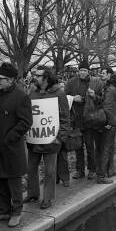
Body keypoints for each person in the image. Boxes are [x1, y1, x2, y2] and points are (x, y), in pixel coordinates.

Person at [0, 63, 32, 228]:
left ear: (11, 80)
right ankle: (3, 210)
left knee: (13, 180)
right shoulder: (1, 94)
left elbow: (26, 121)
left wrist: (9, 137)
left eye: (1, 79)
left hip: (11, 147)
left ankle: (16, 212)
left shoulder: (21, 96)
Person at [25, 67, 70, 209]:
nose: (35, 78)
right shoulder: (32, 92)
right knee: (31, 168)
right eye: (35, 75)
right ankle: (33, 193)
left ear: (46, 78)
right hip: (34, 139)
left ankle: (48, 197)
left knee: (50, 171)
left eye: (39, 76)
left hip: (51, 139)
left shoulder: (59, 93)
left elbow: (65, 117)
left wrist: (60, 137)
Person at [64, 61, 103, 179]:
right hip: (76, 119)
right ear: (78, 71)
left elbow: (102, 99)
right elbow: (63, 97)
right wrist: (72, 98)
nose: (82, 72)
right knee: (78, 146)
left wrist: (94, 96)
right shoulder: (71, 83)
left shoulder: (96, 82)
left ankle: (92, 169)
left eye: (85, 70)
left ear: (88, 71)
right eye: (80, 70)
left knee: (90, 145)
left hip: (90, 119)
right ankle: (79, 170)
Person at [95, 69, 116, 183]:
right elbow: (108, 107)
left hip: (111, 121)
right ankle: (101, 176)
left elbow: (105, 103)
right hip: (110, 122)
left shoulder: (109, 89)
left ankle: (110, 170)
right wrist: (109, 123)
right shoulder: (111, 89)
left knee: (108, 147)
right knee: (106, 148)